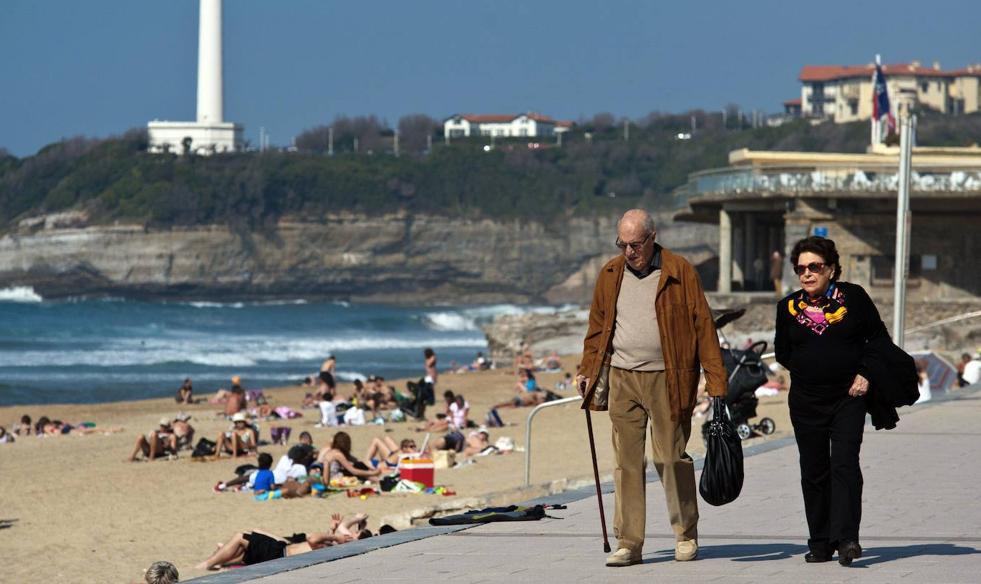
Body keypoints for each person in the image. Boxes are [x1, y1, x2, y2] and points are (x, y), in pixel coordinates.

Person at [577, 209, 727, 567]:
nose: (629, 251)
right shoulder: (610, 274)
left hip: (669, 376)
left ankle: (685, 533)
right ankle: (629, 543)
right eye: (623, 244)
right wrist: (587, 369)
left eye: (636, 244)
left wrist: (716, 381)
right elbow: (598, 327)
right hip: (622, 376)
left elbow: (704, 326)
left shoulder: (679, 271)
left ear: (652, 237)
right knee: (627, 462)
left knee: (670, 457)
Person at [775, 236, 888, 566]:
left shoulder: (854, 298)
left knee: (844, 464)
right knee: (813, 470)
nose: (807, 274)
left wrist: (865, 373)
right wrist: (810, 371)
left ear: (832, 269)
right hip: (806, 401)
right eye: (801, 269)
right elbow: (783, 351)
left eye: (815, 267)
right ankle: (821, 542)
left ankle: (847, 538)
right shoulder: (788, 307)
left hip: (848, 398)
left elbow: (878, 339)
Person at [195, 522, 366, 570]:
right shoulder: (336, 546)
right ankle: (221, 561)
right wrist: (334, 529)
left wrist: (335, 535)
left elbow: (313, 539)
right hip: (281, 550)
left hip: (280, 555)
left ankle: (208, 563)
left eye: (354, 535)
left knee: (241, 538)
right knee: (249, 536)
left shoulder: (336, 547)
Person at [316, 431, 382, 483]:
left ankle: (376, 478)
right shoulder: (338, 454)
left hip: (329, 476)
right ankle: (378, 480)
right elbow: (353, 471)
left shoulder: (333, 451)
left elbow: (353, 460)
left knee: (359, 465)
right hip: (334, 478)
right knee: (359, 472)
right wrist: (372, 472)